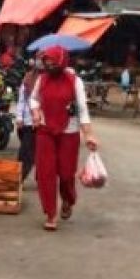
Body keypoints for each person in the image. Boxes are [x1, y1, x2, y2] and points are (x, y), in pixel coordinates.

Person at [30, 46, 99, 232]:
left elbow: (83, 110)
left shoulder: (74, 82)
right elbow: (34, 99)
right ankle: (51, 213)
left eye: (53, 62)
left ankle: (68, 199)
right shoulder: (42, 80)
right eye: (46, 63)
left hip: (69, 131)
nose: (49, 66)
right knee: (46, 173)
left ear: (62, 61)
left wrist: (89, 135)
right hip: (45, 130)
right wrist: (35, 111)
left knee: (67, 174)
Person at [15, 61, 38, 180]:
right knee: (25, 152)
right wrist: (19, 117)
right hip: (29, 121)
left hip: (45, 122)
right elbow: (22, 100)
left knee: (44, 153)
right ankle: (19, 178)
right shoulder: (28, 77)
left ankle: (42, 177)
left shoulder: (51, 79)